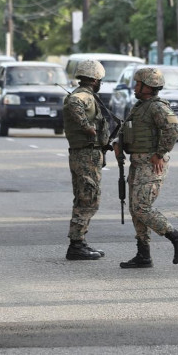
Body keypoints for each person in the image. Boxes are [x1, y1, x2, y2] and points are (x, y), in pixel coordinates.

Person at [114, 68, 178, 268]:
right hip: (138, 164)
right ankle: (143, 254)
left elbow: (173, 129)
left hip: (151, 164)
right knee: (135, 209)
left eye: (138, 84)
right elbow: (128, 131)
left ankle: (177, 238)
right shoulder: (140, 107)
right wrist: (118, 144)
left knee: (142, 208)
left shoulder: (157, 107)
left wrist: (160, 153)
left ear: (148, 86)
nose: (135, 87)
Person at [63, 59, 110, 260]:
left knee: (84, 198)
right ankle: (76, 245)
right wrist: (86, 126)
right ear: (94, 79)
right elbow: (74, 104)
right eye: (100, 80)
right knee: (88, 199)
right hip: (86, 154)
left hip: (86, 153)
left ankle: (79, 242)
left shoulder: (89, 96)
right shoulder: (82, 96)